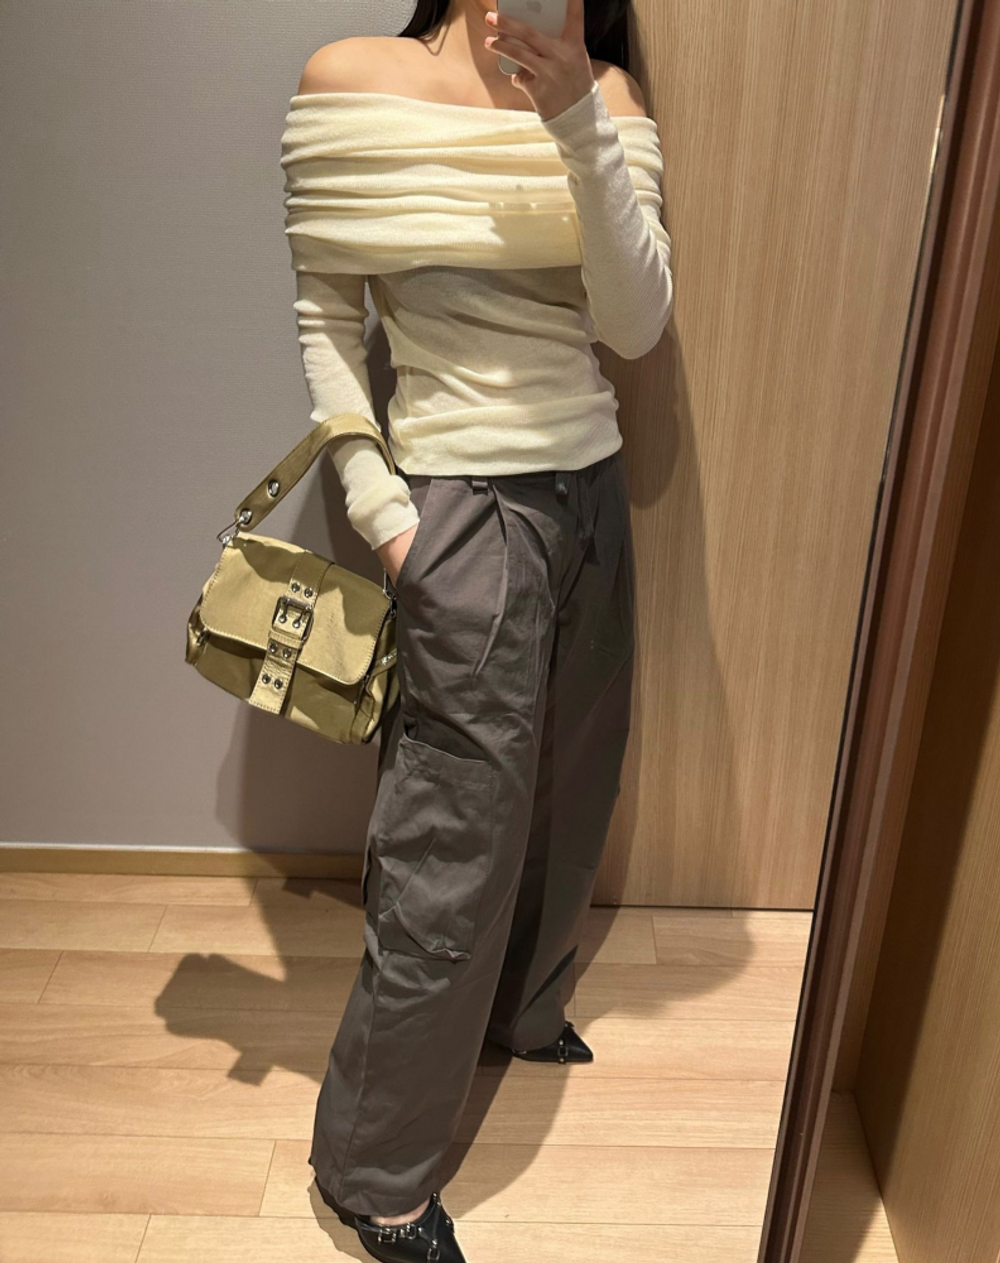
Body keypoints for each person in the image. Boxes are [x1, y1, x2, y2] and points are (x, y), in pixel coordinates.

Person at [280, 0, 673, 1257]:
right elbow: (326, 323)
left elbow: (633, 325)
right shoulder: (353, 77)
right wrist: (387, 520)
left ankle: (521, 1010)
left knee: (572, 782)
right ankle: (373, 1172)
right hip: (462, 505)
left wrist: (575, 114)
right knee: (450, 839)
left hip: (592, 487)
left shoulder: (607, 96)